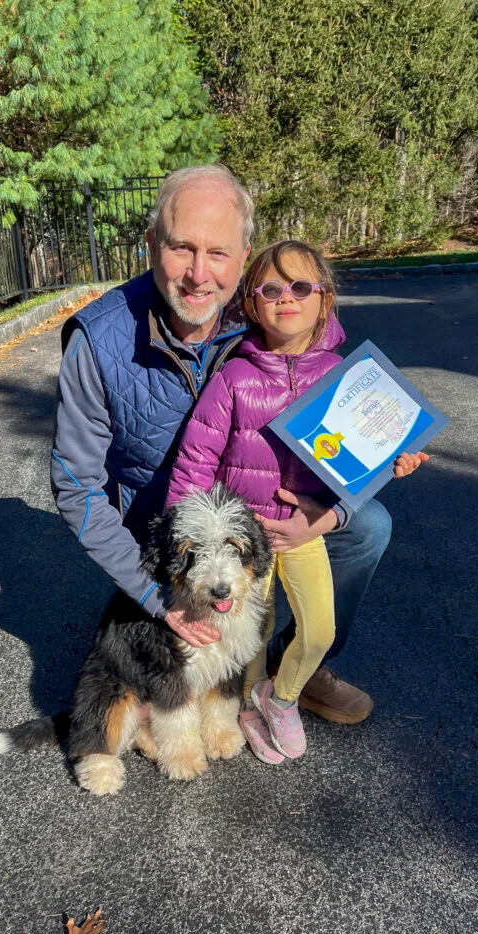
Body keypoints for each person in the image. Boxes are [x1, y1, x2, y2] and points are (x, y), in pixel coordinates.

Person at [51, 164, 425, 729]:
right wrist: (157, 596)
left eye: (220, 253)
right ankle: (202, 664)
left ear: (244, 254)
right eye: (181, 248)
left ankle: (299, 661)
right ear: (152, 244)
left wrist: (369, 468)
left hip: (262, 509)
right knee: (155, 652)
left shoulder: (260, 312)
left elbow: (336, 383)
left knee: (367, 526)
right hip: (163, 525)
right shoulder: (96, 342)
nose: (200, 274)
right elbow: (77, 489)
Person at [165, 240, 428, 763]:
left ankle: (280, 699)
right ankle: (246, 700)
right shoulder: (235, 378)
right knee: (250, 635)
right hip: (246, 543)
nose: (287, 298)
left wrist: (395, 463)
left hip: (306, 531)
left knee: (320, 628)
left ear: (324, 300)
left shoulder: (350, 380)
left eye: (301, 287)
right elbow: (194, 465)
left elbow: (368, 463)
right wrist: (178, 553)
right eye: (271, 289)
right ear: (252, 303)